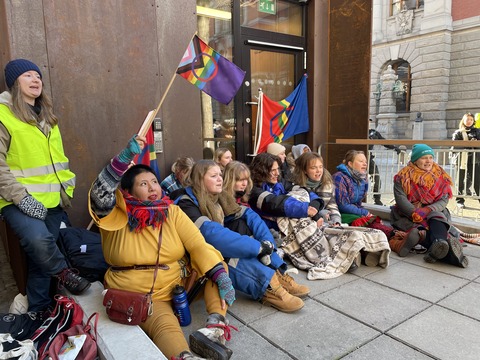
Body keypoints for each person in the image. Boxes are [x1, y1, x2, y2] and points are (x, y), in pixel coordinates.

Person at [89, 136, 236, 360]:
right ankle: (184, 357)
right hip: (142, 294)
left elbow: (197, 244)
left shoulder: (172, 211)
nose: (152, 188)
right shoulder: (116, 213)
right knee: (166, 327)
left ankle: (214, 329)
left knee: (216, 265)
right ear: (128, 191)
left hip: (177, 284)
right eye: (143, 184)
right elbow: (99, 194)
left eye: (154, 181)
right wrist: (124, 158)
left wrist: (220, 275)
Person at [0, 59, 90, 313]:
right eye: (27, 75)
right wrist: (23, 199)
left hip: (51, 201)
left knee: (39, 262)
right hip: (17, 200)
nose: (35, 79)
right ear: (14, 82)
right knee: (39, 242)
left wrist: (64, 192)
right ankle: (65, 273)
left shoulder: (48, 118)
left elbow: (57, 161)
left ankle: (38, 312)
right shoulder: (2, 114)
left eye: (38, 75)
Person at [171, 159, 309, 313]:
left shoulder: (218, 196)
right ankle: (266, 285)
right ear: (200, 180)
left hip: (211, 246)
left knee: (243, 224)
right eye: (213, 176)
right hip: (194, 258)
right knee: (227, 252)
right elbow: (211, 234)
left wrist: (267, 245)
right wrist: (257, 248)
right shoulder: (185, 203)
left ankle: (275, 270)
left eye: (220, 175)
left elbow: (248, 214)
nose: (219, 179)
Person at [272, 152, 390, 279]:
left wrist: (336, 220)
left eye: (320, 166)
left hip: (326, 220)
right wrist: (321, 215)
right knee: (329, 236)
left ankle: (364, 252)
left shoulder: (328, 183)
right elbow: (302, 209)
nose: (318, 171)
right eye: (313, 168)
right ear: (305, 170)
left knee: (349, 229)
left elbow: (333, 205)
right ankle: (351, 256)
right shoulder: (296, 186)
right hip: (310, 223)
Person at [390, 144, 468, 267]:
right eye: (424, 158)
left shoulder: (440, 174)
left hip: (435, 213)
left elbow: (443, 200)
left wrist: (427, 209)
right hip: (409, 215)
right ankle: (449, 254)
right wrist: (414, 212)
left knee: (435, 216)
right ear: (415, 160)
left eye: (430, 157)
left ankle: (434, 242)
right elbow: (401, 200)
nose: (428, 161)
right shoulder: (403, 176)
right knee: (423, 228)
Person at [248, 152, 322, 231]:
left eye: (278, 169)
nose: (277, 173)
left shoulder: (279, 181)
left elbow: (304, 191)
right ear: (261, 171)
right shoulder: (253, 189)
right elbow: (275, 203)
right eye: (273, 170)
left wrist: (313, 207)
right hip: (270, 230)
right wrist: (305, 209)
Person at [333, 150, 395, 239]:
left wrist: (365, 213)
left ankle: (396, 237)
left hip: (352, 211)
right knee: (366, 222)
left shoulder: (362, 178)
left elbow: (358, 203)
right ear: (350, 164)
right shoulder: (340, 177)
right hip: (338, 212)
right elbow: (343, 205)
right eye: (361, 161)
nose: (365, 164)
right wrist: (364, 213)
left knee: (374, 220)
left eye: (365, 162)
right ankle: (393, 236)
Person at [368, 119, 401, 205]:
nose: (368, 122)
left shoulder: (373, 133)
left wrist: (394, 147)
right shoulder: (358, 132)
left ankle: (377, 199)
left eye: (369, 121)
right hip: (357, 159)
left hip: (368, 160)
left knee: (376, 178)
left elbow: (383, 141)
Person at [451, 112, 480, 207]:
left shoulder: (477, 131)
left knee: (477, 181)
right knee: (460, 180)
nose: (469, 121)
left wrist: (475, 143)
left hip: (474, 160)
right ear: (463, 120)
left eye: (471, 119)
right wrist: (468, 144)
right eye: (467, 119)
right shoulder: (458, 132)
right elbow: (455, 146)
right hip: (461, 160)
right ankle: (459, 201)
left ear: (473, 121)